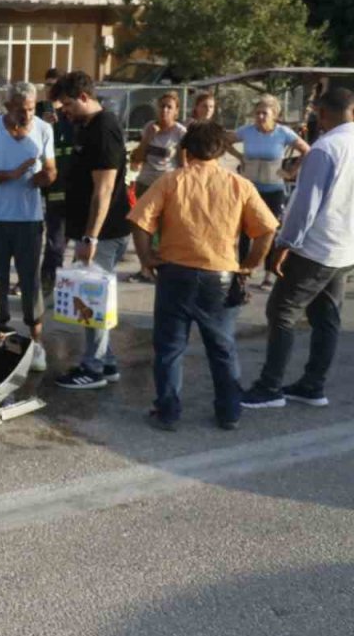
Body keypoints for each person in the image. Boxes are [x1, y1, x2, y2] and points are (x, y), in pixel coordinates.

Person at [128, 121, 279, 432]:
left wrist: (146, 258)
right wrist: (248, 265)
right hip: (220, 276)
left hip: (175, 274)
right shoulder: (239, 185)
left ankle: (168, 411)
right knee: (222, 347)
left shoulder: (171, 181)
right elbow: (267, 229)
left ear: (185, 151)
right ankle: (229, 411)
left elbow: (140, 222)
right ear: (221, 150)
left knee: (170, 348)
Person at [242, 87, 354, 411]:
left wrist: (283, 244)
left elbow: (306, 206)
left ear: (321, 113)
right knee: (326, 317)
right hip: (343, 249)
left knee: (282, 311)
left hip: (315, 248)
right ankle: (312, 385)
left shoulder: (327, 148)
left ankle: (270, 386)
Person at [54, 71, 134, 390]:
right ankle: (107, 360)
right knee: (93, 297)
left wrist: (91, 237)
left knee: (92, 300)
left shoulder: (104, 129)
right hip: (92, 229)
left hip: (104, 231)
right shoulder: (86, 126)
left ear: (85, 97)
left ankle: (94, 367)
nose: (65, 112)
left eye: (68, 104)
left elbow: (104, 189)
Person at [0, 82, 56, 372]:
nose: (27, 115)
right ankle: (1, 340)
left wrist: (44, 178)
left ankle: (36, 345)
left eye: (32, 109)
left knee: (30, 281)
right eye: (21, 110)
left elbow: (51, 170)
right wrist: (13, 173)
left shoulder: (44, 130)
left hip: (29, 219)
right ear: (8, 107)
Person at [230, 95, 311, 289]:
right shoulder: (247, 131)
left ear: (274, 114)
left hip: (273, 189)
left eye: (264, 113)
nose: (260, 117)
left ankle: (268, 274)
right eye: (257, 113)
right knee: (244, 231)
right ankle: (243, 271)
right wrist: (240, 157)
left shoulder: (283, 133)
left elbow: (307, 150)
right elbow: (224, 141)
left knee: (270, 231)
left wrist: (291, 171)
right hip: (250, 189)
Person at [127, 91, 186, 283]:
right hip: (146, 182)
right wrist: (147, 138)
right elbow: (136, 159)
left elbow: (183, 164)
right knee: (143, 226)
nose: (165, 111)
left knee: (165, 228)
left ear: (176, 111)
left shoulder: (180, 133)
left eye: (170, 107)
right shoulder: (149, 127)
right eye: (162, 106)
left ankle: (164, 267)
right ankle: (145, 268)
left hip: (168, 184)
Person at [41, 80, 77, 292]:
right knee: (55, 241)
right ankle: (48, 281)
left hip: (76, 191)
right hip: (55, 192)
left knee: (80, 242)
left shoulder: (76, 120)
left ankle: (74, 285)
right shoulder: (40, 114)